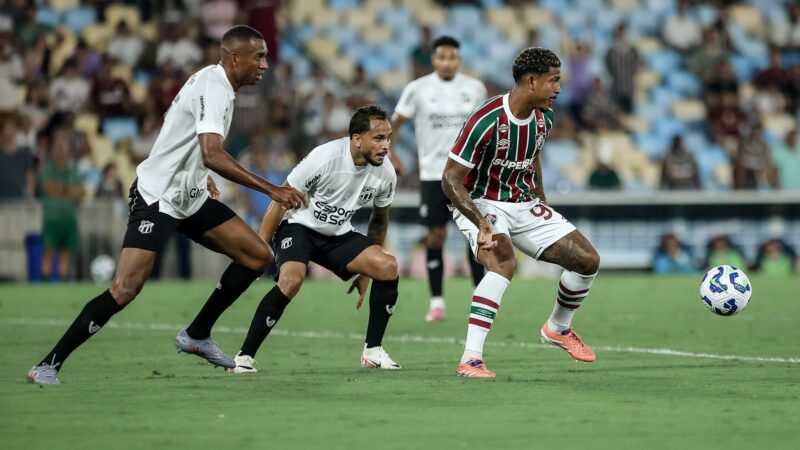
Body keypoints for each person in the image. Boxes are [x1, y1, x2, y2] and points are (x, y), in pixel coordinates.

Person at [26, 25, 306, 385]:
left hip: (189, 195)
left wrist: (193, 170)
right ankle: (48, 364)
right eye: (260, 56)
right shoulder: (214, 87)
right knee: (125, 288)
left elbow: (181, 130)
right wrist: (271, 189)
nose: (265, 64)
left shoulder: (216, 83)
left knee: (258, 256)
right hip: (157, 197)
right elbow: (212, 153)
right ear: (235, 58)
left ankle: (197, 335)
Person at [442, 47, 601, 378]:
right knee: (503, 262)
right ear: (531, 81)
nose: (559, 88)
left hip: (523, 201)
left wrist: (540, 196)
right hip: (480, 202)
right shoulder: (486, 120)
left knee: (587, 260)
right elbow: (450, 179)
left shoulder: (545, 116)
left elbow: (533, 153)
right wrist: (481, 222)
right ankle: (471, 359)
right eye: (554, 81)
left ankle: (558, 328)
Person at [228, 105, 401, 374]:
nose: (386, 145)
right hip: (299, 227)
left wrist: (368, 274)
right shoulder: (324, 157)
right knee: (291, 280)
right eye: (379, 138)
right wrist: (260, 250)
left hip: (337, 235)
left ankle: (373, 351)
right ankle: (243, 357)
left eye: (388, 138)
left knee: (388, 266)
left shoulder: (386, 173)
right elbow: (281, 197)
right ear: (357, 138)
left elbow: (379, 222)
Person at [389, 35, 487, 322]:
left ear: (459, 59)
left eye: (452, 57)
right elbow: (395, 123)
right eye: (442, 57)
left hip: (468, 174)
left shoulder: (474, 88)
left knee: (477, 236)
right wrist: (392, 153)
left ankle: (481, 299)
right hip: (434, 175)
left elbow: (484, 127)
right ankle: (437, 302)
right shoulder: (417, 89)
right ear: (434, 59)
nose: (447, 62)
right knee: (436, 236)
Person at [38, 135, 84, 281]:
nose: (60, 152)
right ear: (52, 151)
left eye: (63, 148)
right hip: (51, 218)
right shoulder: (46, 170)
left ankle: (63, 285)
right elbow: (49, 188)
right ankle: (44, 285)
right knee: (48, 253)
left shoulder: (73, 171)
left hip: (69, 218)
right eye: (57, 148)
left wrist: (63, 190)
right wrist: (69, 191)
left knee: (66, 254)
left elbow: (81, 192)